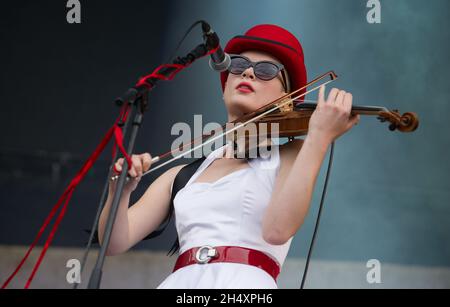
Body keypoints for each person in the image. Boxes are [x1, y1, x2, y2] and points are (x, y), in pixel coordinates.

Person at [98, 24, 360, 288]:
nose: (247, 71)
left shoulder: (292, 152)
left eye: (266, 70)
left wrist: (319, 137)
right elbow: (112, 242)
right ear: (225, 88)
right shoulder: (181, 175)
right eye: (238, 65)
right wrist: (119, 190)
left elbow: (277, 231)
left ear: (287, 98)